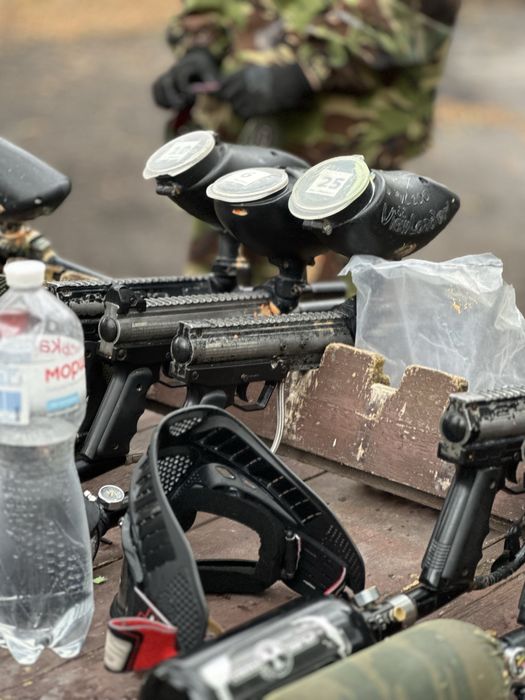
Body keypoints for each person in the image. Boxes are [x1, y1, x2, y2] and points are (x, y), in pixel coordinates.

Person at [152, 0, 461, 283]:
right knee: (216, 304)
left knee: (333, 312)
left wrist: (307, 68)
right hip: (238, 165)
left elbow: (411, 15)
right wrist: (200, 45)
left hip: (343, 175)